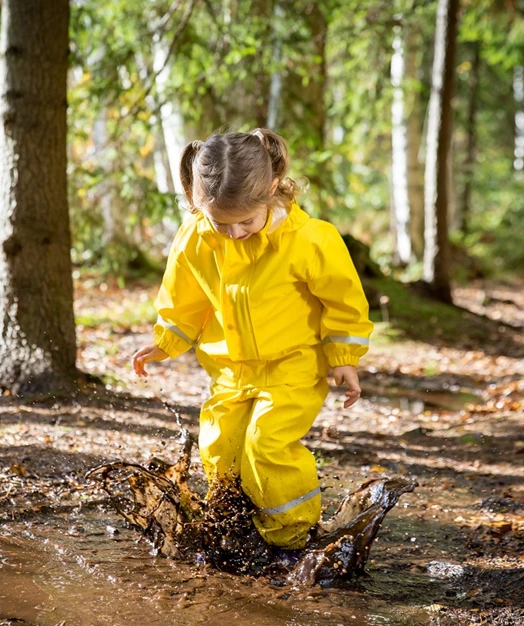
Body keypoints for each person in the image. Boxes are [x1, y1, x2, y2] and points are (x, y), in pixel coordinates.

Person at [132, 128, 373, 556]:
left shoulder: (310, 239)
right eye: (222, 223)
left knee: (266, 445)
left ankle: (293, 541)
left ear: (273, 191)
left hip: (293, 367)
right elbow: (183, 298)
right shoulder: (195, 237)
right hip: (230, 370)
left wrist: (344, 357)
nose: (236, 232)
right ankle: (236, 531)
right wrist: (165, 341)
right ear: (197, 203)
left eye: (246, 220)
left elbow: (344, 302)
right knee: (219, 447)